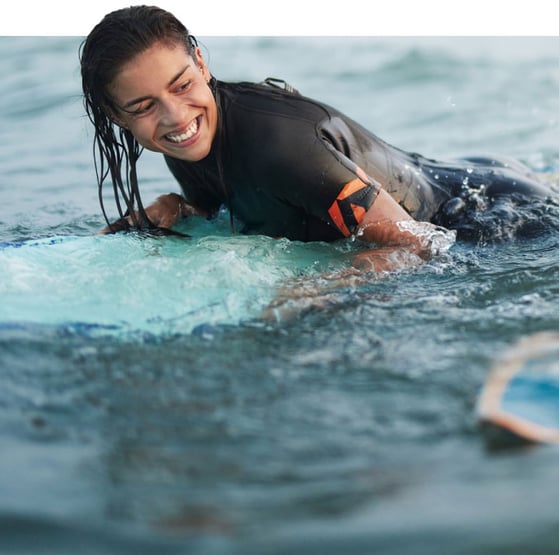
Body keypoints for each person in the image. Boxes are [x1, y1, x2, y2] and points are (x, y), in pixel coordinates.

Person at [80, 5, 558, 273]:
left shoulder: (279, 145)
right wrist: (178, 206)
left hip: (484, 210)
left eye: (182, 84)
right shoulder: (188, 138)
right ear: (116, 115)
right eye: (142, 106)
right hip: (442, 173)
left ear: (202, 64)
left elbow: (420, 241)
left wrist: (329, 286)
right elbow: (247, 199)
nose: (174, 115)